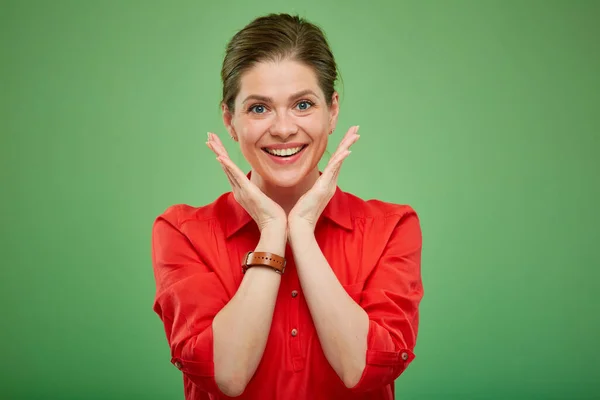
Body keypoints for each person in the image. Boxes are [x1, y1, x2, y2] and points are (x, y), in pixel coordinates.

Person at [151, 13, 423, 400]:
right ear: (230, 120)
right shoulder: (181, 231)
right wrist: (271, 228)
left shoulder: (392, 227)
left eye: (303, 105)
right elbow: (227, 375)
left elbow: (360, 370)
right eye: (259, 108)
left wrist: (303, 230)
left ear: (333, 111)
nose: (282, 128)